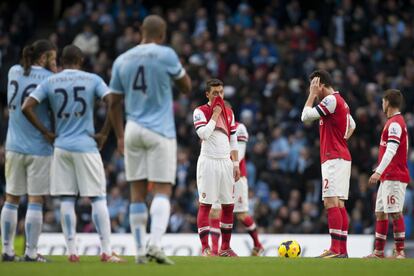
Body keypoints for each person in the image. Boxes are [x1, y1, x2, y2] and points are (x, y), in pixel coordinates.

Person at [22, 45, 124, 263]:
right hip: (86, 145)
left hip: (61, 146)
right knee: (98, 197)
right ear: (80, 59)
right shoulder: (92, 79)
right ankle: (106, 251)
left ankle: (72, 252)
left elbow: (27, 106)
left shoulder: (50, 81)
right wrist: (105, 133)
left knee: (67, 200)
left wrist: (47, 133)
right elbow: (112, 102)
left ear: (62, 60)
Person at [107, 15, 191, 265]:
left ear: (141, 31)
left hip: (132, 129)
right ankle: (155, 244)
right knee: (163, 189)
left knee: (137, 193)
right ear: (162, 35)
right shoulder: (166, 55)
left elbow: (113, 102)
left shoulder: (122, 59)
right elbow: (186, 86)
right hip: (160, 130)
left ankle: (139, 251)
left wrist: (120, 136)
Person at [1, 39, 56, 262]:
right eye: (53, 57)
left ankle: (6, 250)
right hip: (39, 147)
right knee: (35, 201)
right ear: (43, 58)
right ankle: (31, 253)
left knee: (11, 199)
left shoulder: (13, 71)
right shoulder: (50, 79)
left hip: (13, 146)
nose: (56, 61)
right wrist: (54, 71)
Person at [301, 70, 356, 258]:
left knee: (330, 202)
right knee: (339, 204)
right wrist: (342, 139)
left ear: (320, 84)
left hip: (333, 157)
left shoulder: (330, 100)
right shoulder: (342, 101)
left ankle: (335, 249)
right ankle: (342, 250)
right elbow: (352, 124)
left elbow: (305, 117)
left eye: (314, 86)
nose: (313, 90)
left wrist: (311, 95)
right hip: (340, 156)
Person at [193, 79, 240, 257]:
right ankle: (205, 248)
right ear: (207, 94)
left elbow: (233, 140)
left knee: (228, 206)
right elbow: (203, 134)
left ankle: (225, 248)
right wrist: (214, 114)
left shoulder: (229, 112)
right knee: (205, 205)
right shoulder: (200, 111)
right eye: (215, 93)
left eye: (221, 92)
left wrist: (235, 164)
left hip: (225, 163)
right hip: (208, 161)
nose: (219, 95)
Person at [209, 118, 263, 256]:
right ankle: (215, 251)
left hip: (236, 177)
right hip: (217, 175)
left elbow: (239, 155)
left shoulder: (239, 128)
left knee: (241, 215)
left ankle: (258, 244)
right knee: (214, 211)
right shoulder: (212, 129)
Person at [366, 89, 409, 259]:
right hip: (388, 176)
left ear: (388, 103)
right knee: (381, 212)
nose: (381, 104)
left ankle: (400, 252)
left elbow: (391, 150)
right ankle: (378, 252)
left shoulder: (395, 124)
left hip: (394, 175)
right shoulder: (393, 122)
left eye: (383, 101)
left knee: (395, 212)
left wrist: (378, 171)